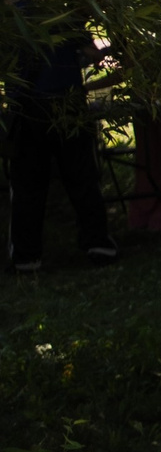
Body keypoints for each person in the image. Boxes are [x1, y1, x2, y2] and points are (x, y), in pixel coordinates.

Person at [8, 25, 118, 270]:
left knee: (27, 183)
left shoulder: (12, 18)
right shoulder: (64, 16)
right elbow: (94, 54)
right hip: (68, 104)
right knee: (83, 176)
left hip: (28, 106)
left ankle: (26, 256)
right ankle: (97, 243)